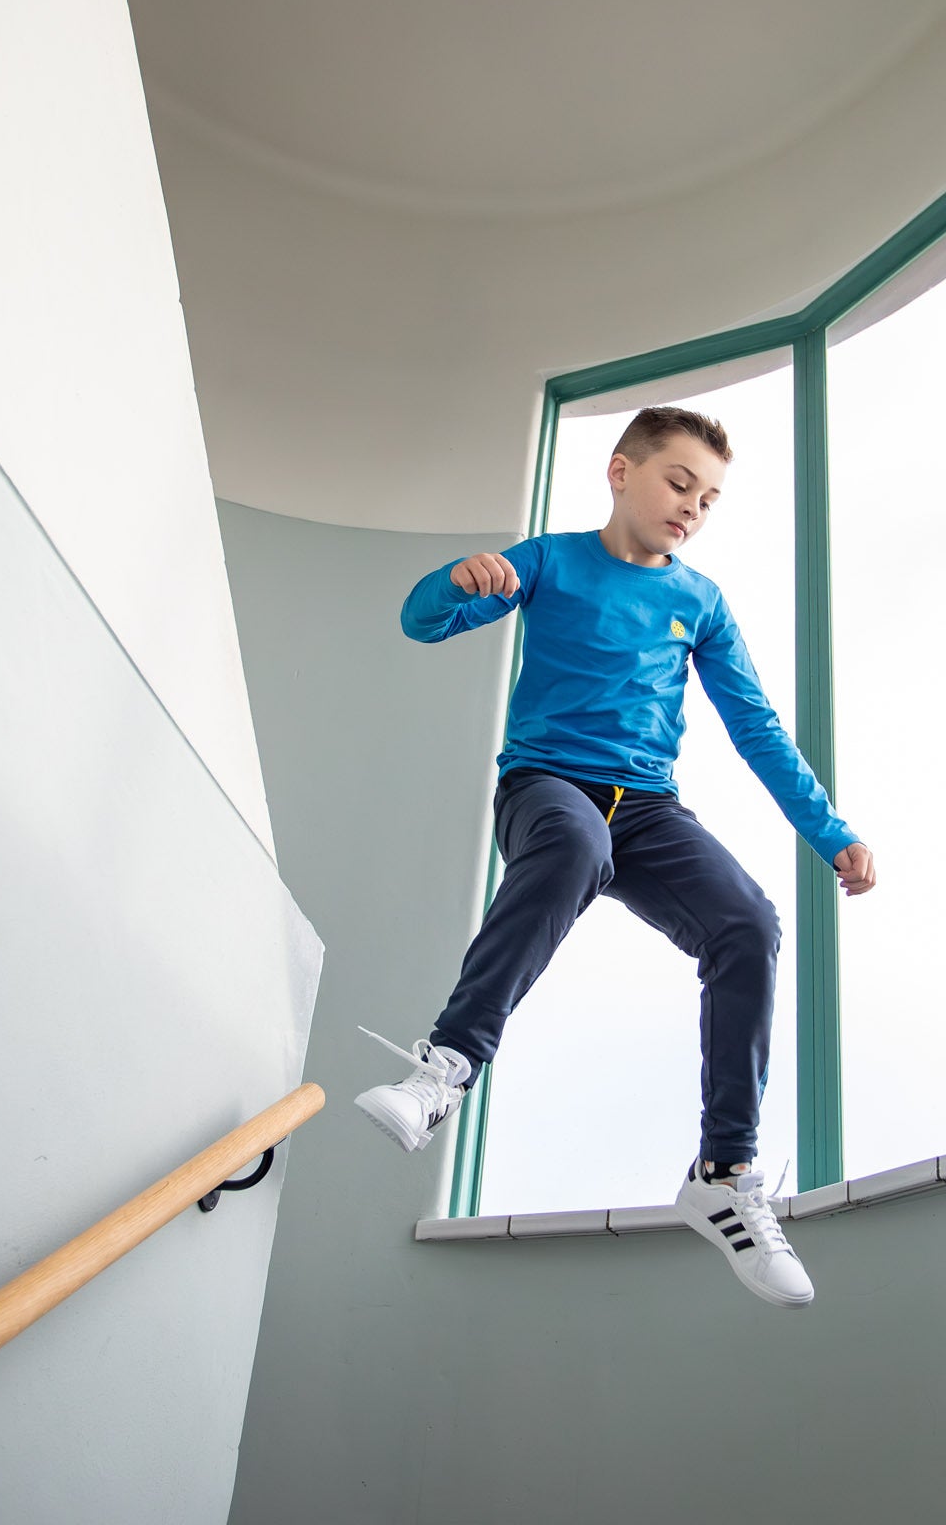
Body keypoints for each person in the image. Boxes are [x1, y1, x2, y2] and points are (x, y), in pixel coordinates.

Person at [355, 405, 876, 1309]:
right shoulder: (550, 561)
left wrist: (831, 832)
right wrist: (456, 580)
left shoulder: (699, 603)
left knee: (748, 922)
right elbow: (420, 622)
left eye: (709, 499)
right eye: (680, 483)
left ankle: (724, 1174)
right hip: (548, 787)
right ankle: (445, 1071)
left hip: (649, 810)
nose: (693, 507)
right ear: (621, 471)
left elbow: (756, 729)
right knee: (574, 846)